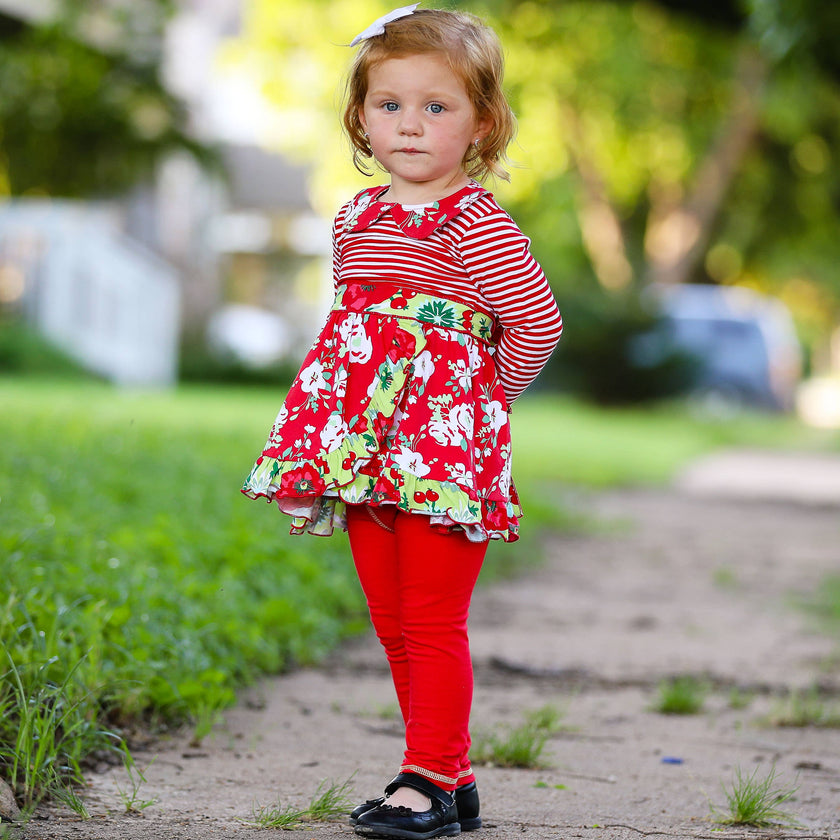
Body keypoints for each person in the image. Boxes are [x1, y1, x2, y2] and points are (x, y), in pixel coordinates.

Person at [241, 5, 563, 838]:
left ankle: (422, 777)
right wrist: (320, 438)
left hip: (443, 451)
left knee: (431, 617)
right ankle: (449, 776)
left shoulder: (476, 222)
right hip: (362, 452)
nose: (410, 125)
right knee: (390, 619)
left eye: (436, 106)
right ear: (359, 118)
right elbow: (351, 338)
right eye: (389, 106)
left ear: (482, 122)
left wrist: (478, 409)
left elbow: (536, 323)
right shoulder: (356, 218)